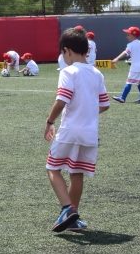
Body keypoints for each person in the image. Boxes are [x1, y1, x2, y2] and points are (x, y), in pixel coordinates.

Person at [44, 27, 110, 232]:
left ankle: (67, 208)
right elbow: (105, 104)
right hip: (90, 133)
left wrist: (49, 121)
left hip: (70, 130)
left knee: (52, 168)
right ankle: (73, 219)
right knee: (77, 173)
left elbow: (61, 100)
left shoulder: (68, 71)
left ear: (67, 51)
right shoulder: (97, 73)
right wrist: (87, 111)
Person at [111, 26, 140, 104]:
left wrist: (117, 59)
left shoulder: (130, 45)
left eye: (128, 34)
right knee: (139, 83)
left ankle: (122, 98)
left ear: (133, 35)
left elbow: (125, 52)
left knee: (129, 82)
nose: (126, 36)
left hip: (136, 67)